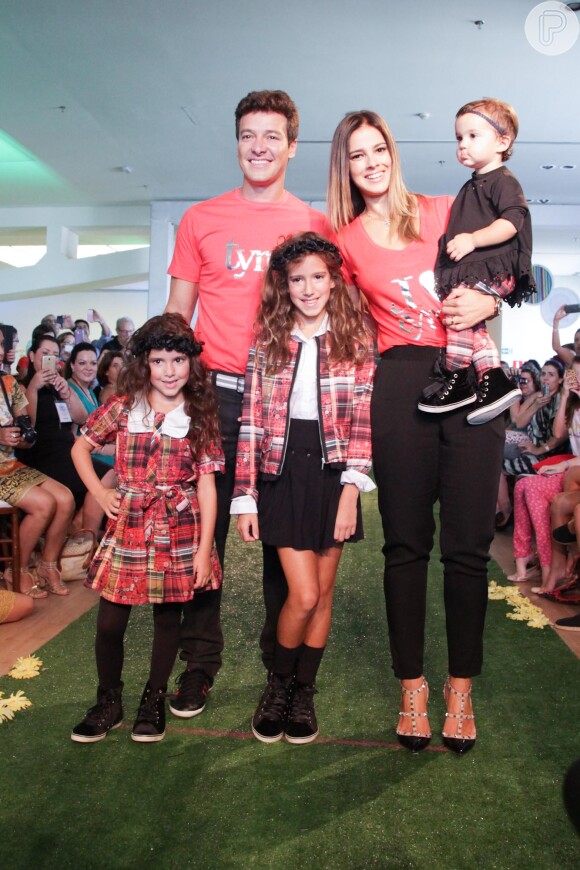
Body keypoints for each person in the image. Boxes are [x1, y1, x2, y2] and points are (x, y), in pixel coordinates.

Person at [327, 109, 506, 754]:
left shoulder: (443, 207)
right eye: (357, 155)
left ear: (394, 153)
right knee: (405, 544)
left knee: (468, 544)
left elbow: (508, 257)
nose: (371, 162)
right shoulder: (343, 240)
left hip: (468, 373)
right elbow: (347, 334)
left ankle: (461, 690)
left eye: (379, 149)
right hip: (399, 381)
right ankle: (412, 689)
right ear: (344, 167)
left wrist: (494, 298)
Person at [164, 89, 332, 719]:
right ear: (237, 142)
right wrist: (164, 394)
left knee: (278, 540)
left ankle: (277, 673)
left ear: (291, 145)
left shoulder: (314, 225)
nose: (258, 147)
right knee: (201, 534)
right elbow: (177, 316)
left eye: (271, 136)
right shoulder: (201, 219)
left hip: (286, 404)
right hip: (213, 397)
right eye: (247, 136)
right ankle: (198, 667)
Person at [232, 233, 374, 744]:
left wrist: (352, 491)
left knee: (324, 594)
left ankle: (302, 694)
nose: (308, 288)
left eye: (318, 277)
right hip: (282, 472)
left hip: (334, 473)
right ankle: (278, 685)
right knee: (304, 592)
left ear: (333, 280)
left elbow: (362, 419)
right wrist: (245, 496)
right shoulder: (268, 340)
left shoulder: (355, 339)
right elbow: (249, 422)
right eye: (297, 279)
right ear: (284, 285)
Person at [70, 313, 223, 744]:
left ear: (191, 363)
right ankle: (108, 700)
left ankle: (154, 698)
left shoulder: (200, 413)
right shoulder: (124, 407)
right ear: (145, 364)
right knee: (109, 623)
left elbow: (207, 485)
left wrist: (203, 549)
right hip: (130, 523)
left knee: (167, 619)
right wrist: (101, 497)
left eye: (178, 360)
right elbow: (81, 448)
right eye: (159, 361)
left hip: (180, 526)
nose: (170, 371)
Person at [417, 98, 534, 424]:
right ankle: (493, 377)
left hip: (492, 264)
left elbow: (513, 221)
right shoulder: (475, 183)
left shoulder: (502, 180)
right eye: (459, 138)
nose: (463, 145)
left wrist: (472, 239)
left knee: (457, 313)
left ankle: (455, 377)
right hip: (480, 267)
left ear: (502, 141)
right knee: (473, 324)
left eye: (473, 136)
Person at [0, 328, 75, 598]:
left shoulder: (8, 383)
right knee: (45, 505)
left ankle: (47, 565)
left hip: (10, 464)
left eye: (1, 345)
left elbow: (26, 426)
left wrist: (22, 438)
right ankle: (16, 570)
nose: (0, 352)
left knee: (65, 498)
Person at [17, 335, 115, 532]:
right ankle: (84, 534)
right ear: (32, 355)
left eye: (55, 355)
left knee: (112, 473)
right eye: (45, 354)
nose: (50, 359)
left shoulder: (57, 386)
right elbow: (29, 427)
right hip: (41, 453)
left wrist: (66, 393)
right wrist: (34, 388)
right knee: (108, 474)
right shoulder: (22, 387)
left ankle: (82, 532)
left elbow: (82, 418)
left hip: (65, 449)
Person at [509, 358, 580, 591]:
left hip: (565, 464)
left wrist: (554, 460)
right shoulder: (569, 402)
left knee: (532, 488)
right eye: (573, 374)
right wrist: (567, 397)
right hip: (569, 466)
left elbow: (555, 439)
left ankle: (550, 565)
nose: (576, 379)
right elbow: (558, 430)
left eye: (577, 375)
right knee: (522, 487)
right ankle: (530, 561)